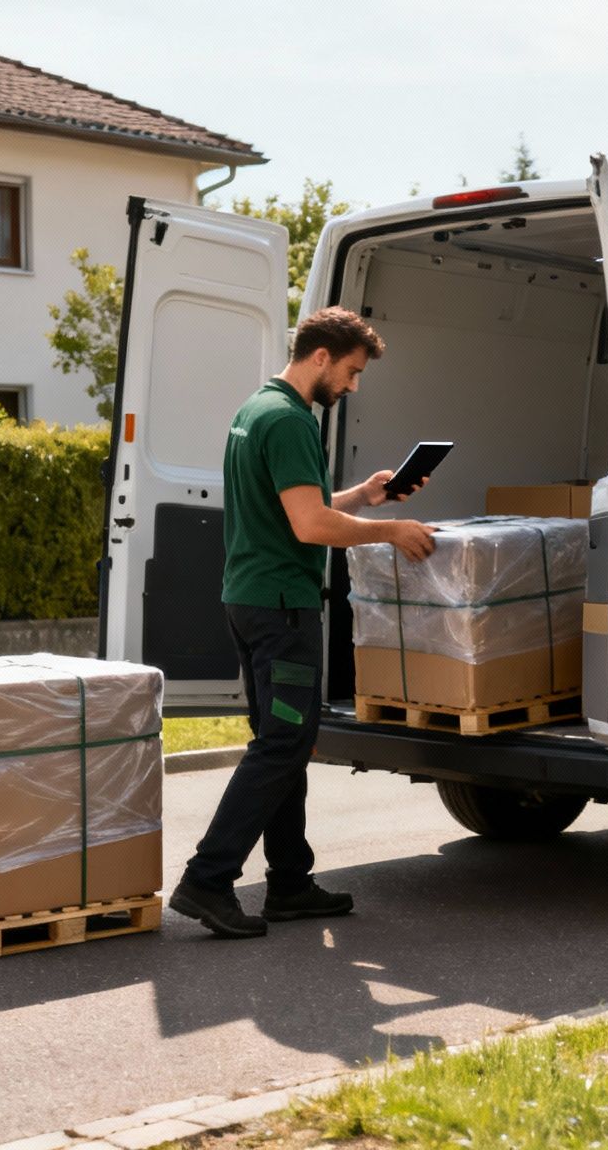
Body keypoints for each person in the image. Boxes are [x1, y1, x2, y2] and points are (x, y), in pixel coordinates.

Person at [169, 307, 437, 939]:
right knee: (283, 745)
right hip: (283, 606)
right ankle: (207, 880)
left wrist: (365, 496)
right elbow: (311, 527)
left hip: (250, 599)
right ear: (321, 356)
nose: (352, 385)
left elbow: (299, 507)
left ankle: (289, 883)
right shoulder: (291, 421)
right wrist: (391, 530)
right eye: (351, 371)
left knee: (282, 742)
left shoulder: (256, 409)